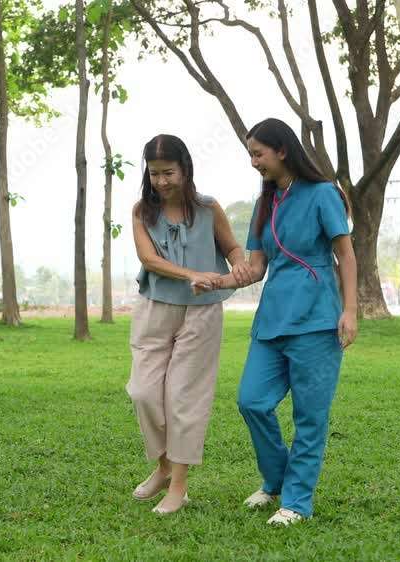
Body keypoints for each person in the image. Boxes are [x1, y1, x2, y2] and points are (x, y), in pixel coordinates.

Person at [197, 118, 358, 526]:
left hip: (316, 321)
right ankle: (277, 481)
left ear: (282, 150)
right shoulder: (264, 204)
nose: (253, 162)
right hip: (271, 322)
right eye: (250, 155)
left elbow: (346, 254)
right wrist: (218, 280)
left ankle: (297, 502)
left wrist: (350, 310)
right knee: (251, 401)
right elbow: (255, 268)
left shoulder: (323, 194)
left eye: (258, 154)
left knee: (309, 417)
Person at [127, 134, 252, 515]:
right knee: (143, 392)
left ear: (185, 169)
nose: (161, 181)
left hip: (202, 312)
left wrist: (238, 264)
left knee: (184, 397)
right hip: (155, 308)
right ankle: (164, 466)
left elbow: (231, 247)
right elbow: (149, 259)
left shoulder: (208, 208)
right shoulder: (142, 211)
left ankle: (178, 486)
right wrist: (191, 274)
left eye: (168, 172)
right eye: (154, 174)